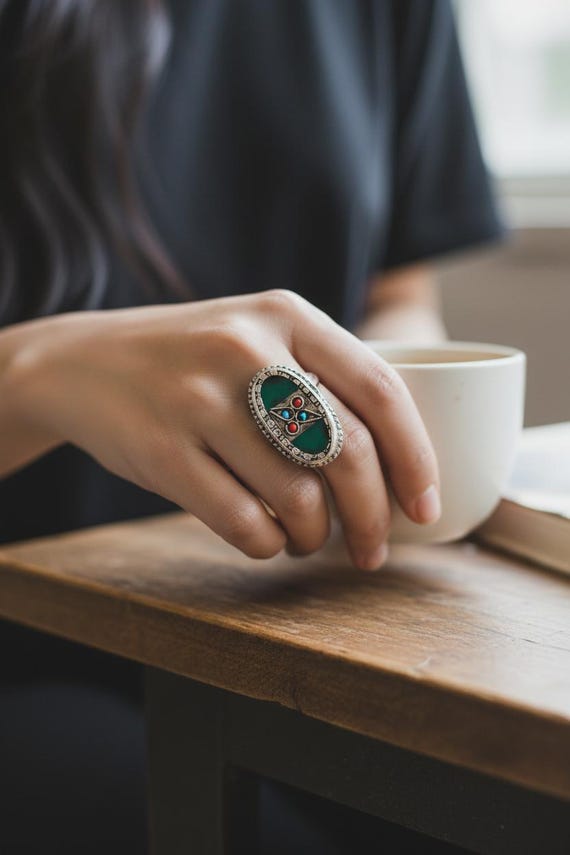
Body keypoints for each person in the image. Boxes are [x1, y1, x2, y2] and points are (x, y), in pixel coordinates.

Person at [0, 1, 503, 852]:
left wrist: (367, 396)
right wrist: (36, 372)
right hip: (30, 653)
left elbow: (399, 293)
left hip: (303, 611)